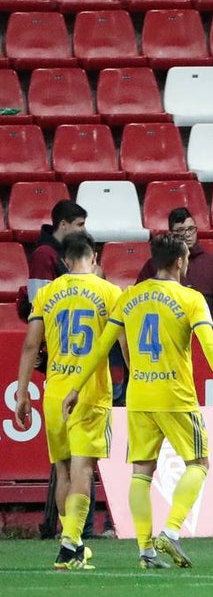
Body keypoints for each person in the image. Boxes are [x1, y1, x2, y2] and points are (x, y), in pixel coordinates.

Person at [62, 233, 213, 570]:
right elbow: (210, 345)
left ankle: (146, 551)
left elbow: (102, 345)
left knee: (141, 472)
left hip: (139, 395)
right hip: (175, 396)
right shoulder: (190, 298)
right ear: (180, 261)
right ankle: (171, 531)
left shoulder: (130, 296)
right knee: (199, 463)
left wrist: (76, 387)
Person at [15, 231, 122, 570]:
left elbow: (31, 346)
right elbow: (124, 345)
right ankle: (70, 545)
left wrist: (22, 392)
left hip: (56, 390)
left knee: (63, 470)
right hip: (90, 391)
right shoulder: (110, 292)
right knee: (83, 469)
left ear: (64, 260)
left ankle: (71, 544)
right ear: (94, 256)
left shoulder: (48, 293)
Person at [137, 208, 213, 328]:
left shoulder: (212, 262)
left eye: (191, 229)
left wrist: (212, 321)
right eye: (181, 230)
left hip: (204, 327)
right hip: (166, 329)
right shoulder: (156, 263)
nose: (187, 234)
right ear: (171, 233)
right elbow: (140, 296)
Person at [25, 200, 87, 307]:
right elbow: (37, 302)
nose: (84, 230)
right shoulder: (43, 254)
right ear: (63, 224)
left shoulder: (70, 252)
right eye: (80, 225)